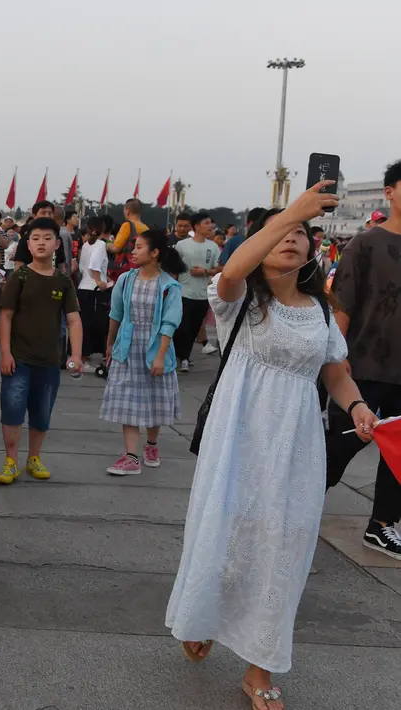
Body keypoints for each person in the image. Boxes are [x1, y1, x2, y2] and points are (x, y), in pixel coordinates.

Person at [166, 183, 372, 708]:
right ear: (262, 241)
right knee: (226, 532)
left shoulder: (319, 311)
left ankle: (259, 669)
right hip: (238, 439)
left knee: (285, 547)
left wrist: (357, 408)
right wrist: (293, 211)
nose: (293, 237)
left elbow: (335, 373)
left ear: (311, 252)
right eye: (283, 230)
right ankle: (206, 616)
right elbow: (233, 271)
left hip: (297, 443)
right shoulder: (239, 300)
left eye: (303, 232)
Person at [326, 159, 401, 560]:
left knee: (400, 451)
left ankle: (382, 525)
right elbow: (343, 305)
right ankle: (292, 502)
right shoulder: (365, 244)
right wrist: (338, 358)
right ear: (388, 192)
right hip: (364, 366)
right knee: (345, 442)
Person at [0, 217, 81, 485]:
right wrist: (5, 353)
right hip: (18, 358)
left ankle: (34, 457)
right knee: (12, 410)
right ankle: (11, 461)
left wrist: (75, 355)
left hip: (49, 360)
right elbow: (5, 316)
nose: (41, 243)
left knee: (42, 412)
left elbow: (74, 319)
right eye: (35, 238)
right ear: (28, 245)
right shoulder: (19, 277)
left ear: (57, 244)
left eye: (47, 238)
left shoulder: (63, 280)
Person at [101, 230, 185, 475]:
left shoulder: (170, 286)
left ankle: (151, 445)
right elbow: (115, 314)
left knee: (153, 401)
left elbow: (170, 323)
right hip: (127, 347)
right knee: (127, 400)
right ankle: (131, 456)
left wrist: (160, 355)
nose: (133, 252)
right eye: (133, 247)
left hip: (155, 348)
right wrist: (110, 344)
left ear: (155, 253)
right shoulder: (126, 280)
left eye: (139, 247)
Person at [172, 211, 222, 372]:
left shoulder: (213, 246)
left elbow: (219, 268)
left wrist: (205, 272)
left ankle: (184, 355)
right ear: (197, 226)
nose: (210, 226)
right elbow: (174, 268)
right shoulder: (182, 245)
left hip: (202, 294)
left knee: (194, 328)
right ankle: (183, 357)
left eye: (211, 223)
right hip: (183, 292)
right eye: (206, 223)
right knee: (182, 327)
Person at [76, 219, 111, 364]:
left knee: (83, 323)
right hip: (94, 289)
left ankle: (81, 356)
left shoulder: (85, 245)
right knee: (94, 324)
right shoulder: (101, 244)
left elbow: (82, 266)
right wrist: (99, 281)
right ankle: (84, 357)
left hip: (83, 287)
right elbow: (94, 265)